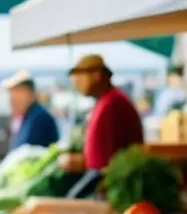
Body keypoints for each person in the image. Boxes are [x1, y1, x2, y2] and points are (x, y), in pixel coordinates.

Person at [61, 55, 143, 186]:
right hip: (99, 177)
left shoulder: (113, 103)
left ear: (97, 75)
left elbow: (109, 158)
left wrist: (82, 162)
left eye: (80, 75)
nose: (76, 81)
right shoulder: (105, 101)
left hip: (110, 182)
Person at [3, 71, 59, 150]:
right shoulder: (28, 117)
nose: (13, 102)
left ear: (30, 93)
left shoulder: (39, 119)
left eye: (17, 93)